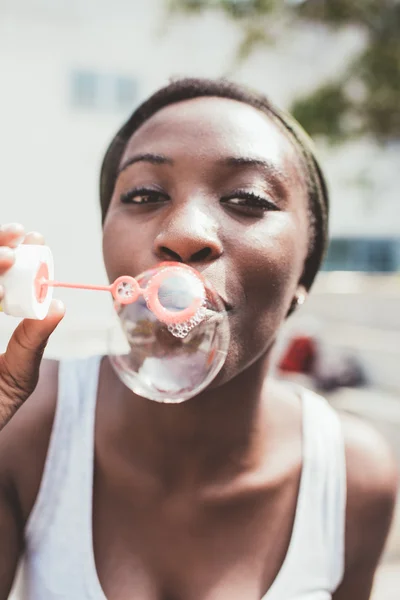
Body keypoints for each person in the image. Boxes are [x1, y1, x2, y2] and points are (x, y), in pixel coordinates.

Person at [0, 78, 397, 600]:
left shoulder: (353, 478)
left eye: (247, 199)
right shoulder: (27, 423)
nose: (183, 233)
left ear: (306, 269)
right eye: (144, 195)